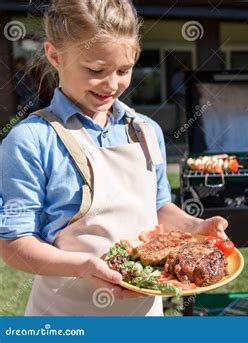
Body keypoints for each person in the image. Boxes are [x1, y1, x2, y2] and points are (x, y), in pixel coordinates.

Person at [0, 0, 228, 316]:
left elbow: (159, 209)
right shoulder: (31, 140)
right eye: (96, 70)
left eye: (124, 70)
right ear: (54, 55)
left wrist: (197, 226)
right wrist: (82, 266)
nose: (111, 84)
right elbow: (14, 246)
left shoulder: (146, 130)